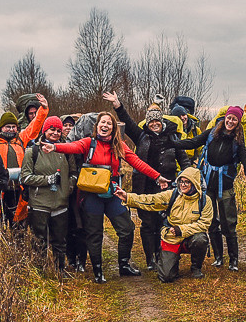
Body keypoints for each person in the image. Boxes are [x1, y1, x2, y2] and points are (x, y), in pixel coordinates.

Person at [45, 111, 166, 283]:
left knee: (127, 228)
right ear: (97, 126)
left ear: (113, 128)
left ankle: (124, 265)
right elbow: (72, 147)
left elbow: (137, 162)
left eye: (109, 123)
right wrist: (55, 147)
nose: (105, 125)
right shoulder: (89, 143)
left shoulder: (119, 145)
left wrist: (157, 176)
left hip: (112, 193)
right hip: (91, 195)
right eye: (102, 122)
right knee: (95, 234)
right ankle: (98, 271)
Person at [106, 91, 191, 271]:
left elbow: (183, 159)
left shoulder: (173, 137)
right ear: (147, 123)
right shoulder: (141, 136)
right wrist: (117, 105)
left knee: (164, 222)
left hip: (167, 186)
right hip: (144, 186)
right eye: (151, 121)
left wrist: (186, 176)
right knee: (148, 223)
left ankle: (162, 255)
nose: (154, 124)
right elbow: (127, 122)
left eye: (156, 121)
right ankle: (150, 258)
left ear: (162, 122)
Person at [175, 106, 246, 270]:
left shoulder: (238, 142)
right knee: (211, 222)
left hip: (225, 187)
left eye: (234, 119)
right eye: (229, 118)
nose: (230, 121)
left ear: (238, 122)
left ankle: (233, 260)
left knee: (228, 224)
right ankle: (219, 257)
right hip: (207, 185)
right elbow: (193, 142)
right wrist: (173, 143)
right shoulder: (211, 133)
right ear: (224, 118)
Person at [114, 167, 213, 283]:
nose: (183, 185)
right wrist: (128, 197)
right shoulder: (172, 195)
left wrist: (181, 229)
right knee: (166, 277)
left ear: (195, 183)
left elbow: (204, 224)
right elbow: (150, 200)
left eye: (187, 182)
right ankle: (172, 262)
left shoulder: (205, 200)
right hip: (171, 238)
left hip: (191, 237)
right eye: (181, 181)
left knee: (200, 239)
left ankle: (196, 267)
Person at [20, 116, 75, 271]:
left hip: (61, 203)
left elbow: (73, 173)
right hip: (39, 204)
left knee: (60, 241)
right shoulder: (32, 151)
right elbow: (25, 177)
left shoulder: (66, 150)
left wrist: (67, 188)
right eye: (52, 129)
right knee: (39, 241)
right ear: (45, 130)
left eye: (58, 130)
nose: (55, 133)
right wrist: (47, 180)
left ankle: (60, 271)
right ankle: (41, 272)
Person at [0, 93, 49, 227]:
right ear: (1, 127)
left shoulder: (20, 139)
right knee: (0, 221)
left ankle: (18, 243)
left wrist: (43, 109)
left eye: (13, 127)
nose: (11, 129)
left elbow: (34, 126)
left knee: (18, 222)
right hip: (0, 188)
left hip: (18, 187)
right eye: (8, 127)